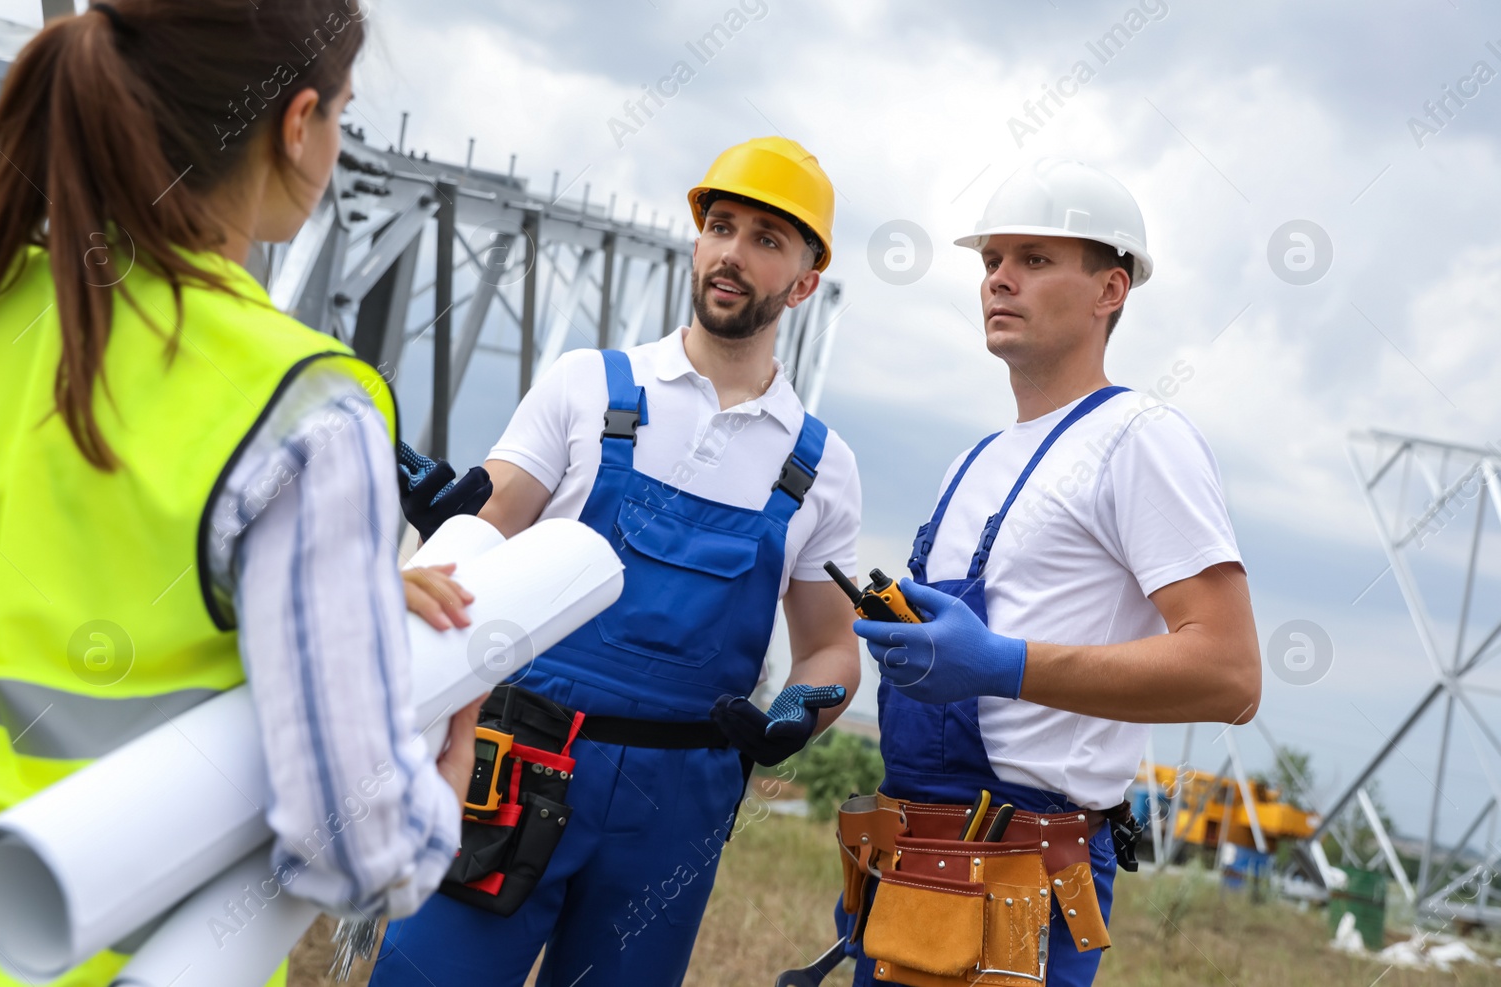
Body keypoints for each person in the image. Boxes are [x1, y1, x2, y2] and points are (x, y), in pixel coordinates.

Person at [0, 0, 479, 984]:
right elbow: (357, 847)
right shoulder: (300, 405)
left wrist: (320, 594)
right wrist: (445, 766)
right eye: (341, 111)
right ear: (299, 120)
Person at [371, 137, 865, 987]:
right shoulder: (587, 386)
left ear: (805, 280)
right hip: (516, 766)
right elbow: (492, 521)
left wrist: (803, 710)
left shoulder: (819, 464)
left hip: (677, 808)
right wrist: (449, 518)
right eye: (720, 226)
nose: (732, 255)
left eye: (766, 240)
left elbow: (830, 649)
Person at [843, 157, 1261, 987]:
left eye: (1034, 260)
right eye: (991, 260)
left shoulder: (1141, 436)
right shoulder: (971, 460)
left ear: (1111, 290)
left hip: (1021, 885)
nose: (999, 279)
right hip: (907, 865)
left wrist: (1003, 664)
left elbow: (1230, 673)